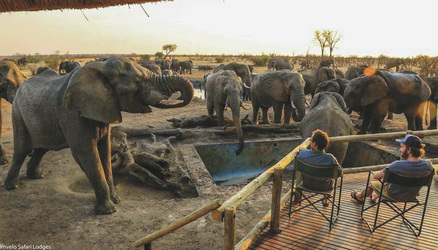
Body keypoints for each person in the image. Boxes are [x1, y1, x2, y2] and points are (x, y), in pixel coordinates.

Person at [351, 134, 434, 204]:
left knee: (373, 183)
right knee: (387, 184)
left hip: (393, 194)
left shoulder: (396, 165)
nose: (399, 150)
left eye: (402, 147)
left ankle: (359, 196)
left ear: (409, 150)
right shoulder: (428, 165)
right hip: (412, 196)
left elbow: (377, 176)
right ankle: (374, 197)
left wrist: (377, 173)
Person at [296, 129, 343, 206]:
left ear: (314, 144)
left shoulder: (303, 154)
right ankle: (325, 199)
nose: (310, 141)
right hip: (325, 187)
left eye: (311, 140)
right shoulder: (330, 158)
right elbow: (340, 174)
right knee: (331, 179)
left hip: (306, 184)